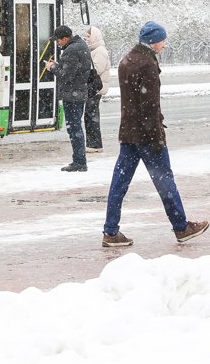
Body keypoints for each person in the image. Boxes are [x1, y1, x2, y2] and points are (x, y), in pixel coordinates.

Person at [101, 21, 208, 247]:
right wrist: (157, 137)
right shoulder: (147, 64)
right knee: (165, 181)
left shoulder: (127, 59)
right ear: (153, 41)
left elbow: (133, 102)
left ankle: (111, 231)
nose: (164, 44)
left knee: (119, 182)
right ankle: (182, 228)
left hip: (128, 133)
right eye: (162, 40)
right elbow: (149, 106)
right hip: (147, 136)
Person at [44, 25, 91, 172]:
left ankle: (79, 161)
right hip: (78, 92)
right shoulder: (81, 45)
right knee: (75, 127)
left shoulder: (71, 50)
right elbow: (73, 70)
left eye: (58, 40)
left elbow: (66, 75)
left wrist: (52, 67)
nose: (58, 43)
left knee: (74, 128)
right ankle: (79, 160)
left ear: (65, 38)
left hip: (73, 95)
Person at [84, 26, 110, 153]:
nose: (87, 39)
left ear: (94, 36)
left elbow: (97, 70)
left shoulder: (99, 51)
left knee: (91, 115)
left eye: (88, 36)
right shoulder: (95, 50)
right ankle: (93, 143)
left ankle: (94, 144)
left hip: (96, 88)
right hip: (95, 87)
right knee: (90, 115)